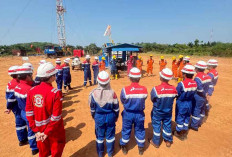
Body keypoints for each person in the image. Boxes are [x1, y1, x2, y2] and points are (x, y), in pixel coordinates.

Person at [26, 62, 65, 157]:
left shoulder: (31, 91)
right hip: (54, 130)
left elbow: (29, 113)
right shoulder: (55, 93)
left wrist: (36, 131)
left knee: (43, 152)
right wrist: (47, 132)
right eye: (54, 75)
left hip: (39, 130)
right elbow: (56, 117)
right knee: (56, 150)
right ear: (51, 77)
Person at [88, 71, 119, 157]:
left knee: (99, 136)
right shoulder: (112, 93)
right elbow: (116, 108)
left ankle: (100, 153)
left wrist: (94, 116)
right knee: (110, 136)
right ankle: (110, 153)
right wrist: (116, 117)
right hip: (110, 117)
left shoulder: (93, 94)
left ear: (98, 81)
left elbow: (92, 109)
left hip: (99, 117)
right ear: (108, 81)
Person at [119, 67, 148, 155]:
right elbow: (145, 98)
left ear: (130, 78)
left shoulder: (125, 90)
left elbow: (122, 100)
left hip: (128, 114)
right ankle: (141, 147)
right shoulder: (144, 89)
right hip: (139, 114)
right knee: (140, 129)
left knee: (126, 129)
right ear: (139, 78)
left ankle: (124, 146)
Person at [149, 68, 177, 148]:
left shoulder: (156, 89)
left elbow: (152, 99)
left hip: (157, 112)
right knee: (167, 124)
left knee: (157, 125)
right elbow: (175, 97)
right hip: (168, 112)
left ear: (161, 77)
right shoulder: (173, 89)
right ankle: (168, 141)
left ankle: (156, 142)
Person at [14, 65, 39, 155]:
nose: (32, 76)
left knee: (29, 129)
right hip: (30, 114)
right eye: (31, 75)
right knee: (32, 130)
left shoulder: (17, 87)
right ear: (27, 76)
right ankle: (34, 148)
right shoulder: (29, 90)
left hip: (22, 112)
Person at [5, 66, 28, 146]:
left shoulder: (11, 83)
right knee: (20, 122)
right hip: (17, 105)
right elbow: (11, 98)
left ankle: (24, 136)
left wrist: (9, 107)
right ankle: (22, 139)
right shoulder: (15, 84)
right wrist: (9, 107)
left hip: (16, 105)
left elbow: (7, 97)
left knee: (21, 121)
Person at [174, 65, 197, 140]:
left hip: (182, 103)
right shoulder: (195, 83)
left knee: (180, 117)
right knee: (187, 116)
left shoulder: (182, 84)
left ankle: (178, 132)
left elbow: (177, 93)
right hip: (190, 102)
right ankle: (184, 131)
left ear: (185, 75)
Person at [190, 61, 211, 131]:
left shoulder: (197, 78)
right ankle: (199, 122)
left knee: (197, 110)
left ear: (197, 69)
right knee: (202, 110)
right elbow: (210, 86)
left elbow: (200, 89)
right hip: (204, 96)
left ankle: (194, 126)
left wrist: (204, 94)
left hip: (199, 97)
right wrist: (207, 94)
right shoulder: (208, 76)